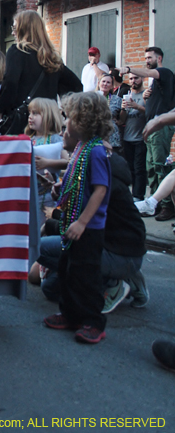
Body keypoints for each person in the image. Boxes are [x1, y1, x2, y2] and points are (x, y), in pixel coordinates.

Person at [35, 144, 148, 312]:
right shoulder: (88, 166)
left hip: (115, 248)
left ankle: (115, 282)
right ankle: (120, 276)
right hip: (106, 244)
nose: (64, 132)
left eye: (68, 125)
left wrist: (53, 222)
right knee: (50, 288)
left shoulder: (98, 176)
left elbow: (80, 223)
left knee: (40, 248)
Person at [43, 91, 113, 344]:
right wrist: (61, 189)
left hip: (88, 227)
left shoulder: (95, 151)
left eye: (69, 117)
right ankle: (71, 314)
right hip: (72, 222)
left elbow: (100, 190)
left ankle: (93, 321)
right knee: (67, 270)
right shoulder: (82, 148)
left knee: (86, 275)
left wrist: (83, 222)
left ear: (83, 121)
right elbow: (79, 179)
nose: (66, 123)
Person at [0, 10, 82, 133]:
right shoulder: (52, 58)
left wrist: (1, 107)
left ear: (23, 29)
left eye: (14, 27)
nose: (12, 32)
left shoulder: (17, 51)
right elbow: (76, 86)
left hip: (24, 121)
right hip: (48, 122)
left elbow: (10, 83)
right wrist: (61, 109)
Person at [119, 47, 175, 221]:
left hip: (160, 128)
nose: (147, 60)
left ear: (159, 58)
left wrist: (128, 69)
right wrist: (147, 98)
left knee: (160, 165)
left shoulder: (164, 72)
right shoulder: (156, 85)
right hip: (151, 128)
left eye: (149, 57)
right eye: (145, 57)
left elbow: (148, 72)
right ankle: (155, 204)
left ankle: (166, 206)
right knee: (151, 167)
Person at [122, 73, 147, 201]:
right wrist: (123, 110)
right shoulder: (127, 95)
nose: (133, 81)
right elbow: (121, 120)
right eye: (131, 78)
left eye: (136, 78)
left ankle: (138, 196)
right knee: (130, 169)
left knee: (139, 169)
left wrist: (137, 106)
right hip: (127, 138)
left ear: (142, 78)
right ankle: (132, 195)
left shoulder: (146, 95)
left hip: (140, 138)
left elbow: (150, 113)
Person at [97, 73, 127, 153]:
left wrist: (120, 118)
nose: (105, 84)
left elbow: (123, 119)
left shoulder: (117, 99)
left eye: (108, 82)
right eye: (103, 81)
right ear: (99, 83)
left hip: (112, 137)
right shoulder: (91, 98)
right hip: (96, 134)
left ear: (112, 86)